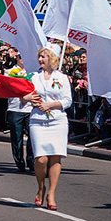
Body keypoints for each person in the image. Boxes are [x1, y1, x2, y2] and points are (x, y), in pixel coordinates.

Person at [22, 46, 72, 211]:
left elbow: (67, 101)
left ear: (52, 58)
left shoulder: (62, 78)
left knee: (55, 158)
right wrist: (28, 98)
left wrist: (50, 104)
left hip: (58, 121)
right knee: (41, 159)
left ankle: (51, 193)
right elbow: (23, 97)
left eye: (44, 57)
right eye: (39, 57)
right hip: (37, 120)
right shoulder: (33, 77)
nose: (40, 60)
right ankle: (41, 187)